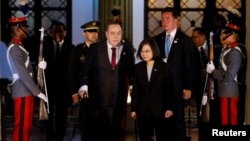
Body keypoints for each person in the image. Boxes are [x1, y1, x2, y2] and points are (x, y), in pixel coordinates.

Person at [77, 21, 135, 141]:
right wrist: (83, 87)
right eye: (112, 33)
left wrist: (133, 87)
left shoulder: (127, 51)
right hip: (97, 101)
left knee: (114, 134)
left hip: (117, 101)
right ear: (106, 34)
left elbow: (132, 73)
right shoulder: (95, 49)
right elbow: (85, 70)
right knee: (96, 134)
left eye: (119, 33)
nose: (116, 36)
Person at [153, 7, 194, 141]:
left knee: (177, 119)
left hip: (178, 87)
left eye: (168, 19)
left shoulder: (185, 40)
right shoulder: (157, 39)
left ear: (176, 20)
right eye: (163, 19)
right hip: (160, 87)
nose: (164, 22)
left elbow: (189, 65)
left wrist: (188, 87)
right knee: (161, 119)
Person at [6, 16, 48, 141]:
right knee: (22, 128)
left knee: (26, 126)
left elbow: (26, 70)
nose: (27, 30)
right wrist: (38, 92)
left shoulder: (19, 47)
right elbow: (23, 74)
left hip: (25, 91)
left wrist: (38, 67)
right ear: (18, 29)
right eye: (25, 27)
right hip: (22, 91)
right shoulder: (14, 49)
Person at [130, 38, 174, 141]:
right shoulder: (138, 68)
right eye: (142, 51)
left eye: (147, 51)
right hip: (142, 109)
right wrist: (133, 109)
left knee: (162, 136)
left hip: (160, 109)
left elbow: (169, 89)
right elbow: (135, 91)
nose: (144, 54)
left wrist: (170, 108)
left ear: (154, 50)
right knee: (144, 137)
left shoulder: (164, 67)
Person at [206, 9, 243, 126]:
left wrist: (213, 71)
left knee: (229, 123)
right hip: (223, 91)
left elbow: (229, 76)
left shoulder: (235, 53)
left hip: (229, 92)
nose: (221, 35)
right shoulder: (227, 49)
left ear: (233, 37)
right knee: (224, 121)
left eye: (225, 33)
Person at [42, 20, 74, 141]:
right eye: (55, 31)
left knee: (62, 115)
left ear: (65, 33)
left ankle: (60, 137)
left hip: (63, 89)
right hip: (48, 88)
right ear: (50, 33)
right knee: (47, 115)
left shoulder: (71, 48)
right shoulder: (44, 48)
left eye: (60, 31)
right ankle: (49, 136)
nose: (57, 34)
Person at [69, 20, 100, 141]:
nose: (94, 34)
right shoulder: (78, 50)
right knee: (85, 124)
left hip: (98, 92)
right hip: (84, 93)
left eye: (96, 32)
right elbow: (71, 73)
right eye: (90, 32)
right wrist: (74, 92)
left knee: (98, 125)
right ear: (84, 34)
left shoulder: (101, 49)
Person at [191, 27, 211, 141]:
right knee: (201, 113)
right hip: (199, 87)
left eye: (196, 37)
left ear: (203, 36)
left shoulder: (214, 48)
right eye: (192, 37)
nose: (193, 39)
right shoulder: (192, 50)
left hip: (212, 86)